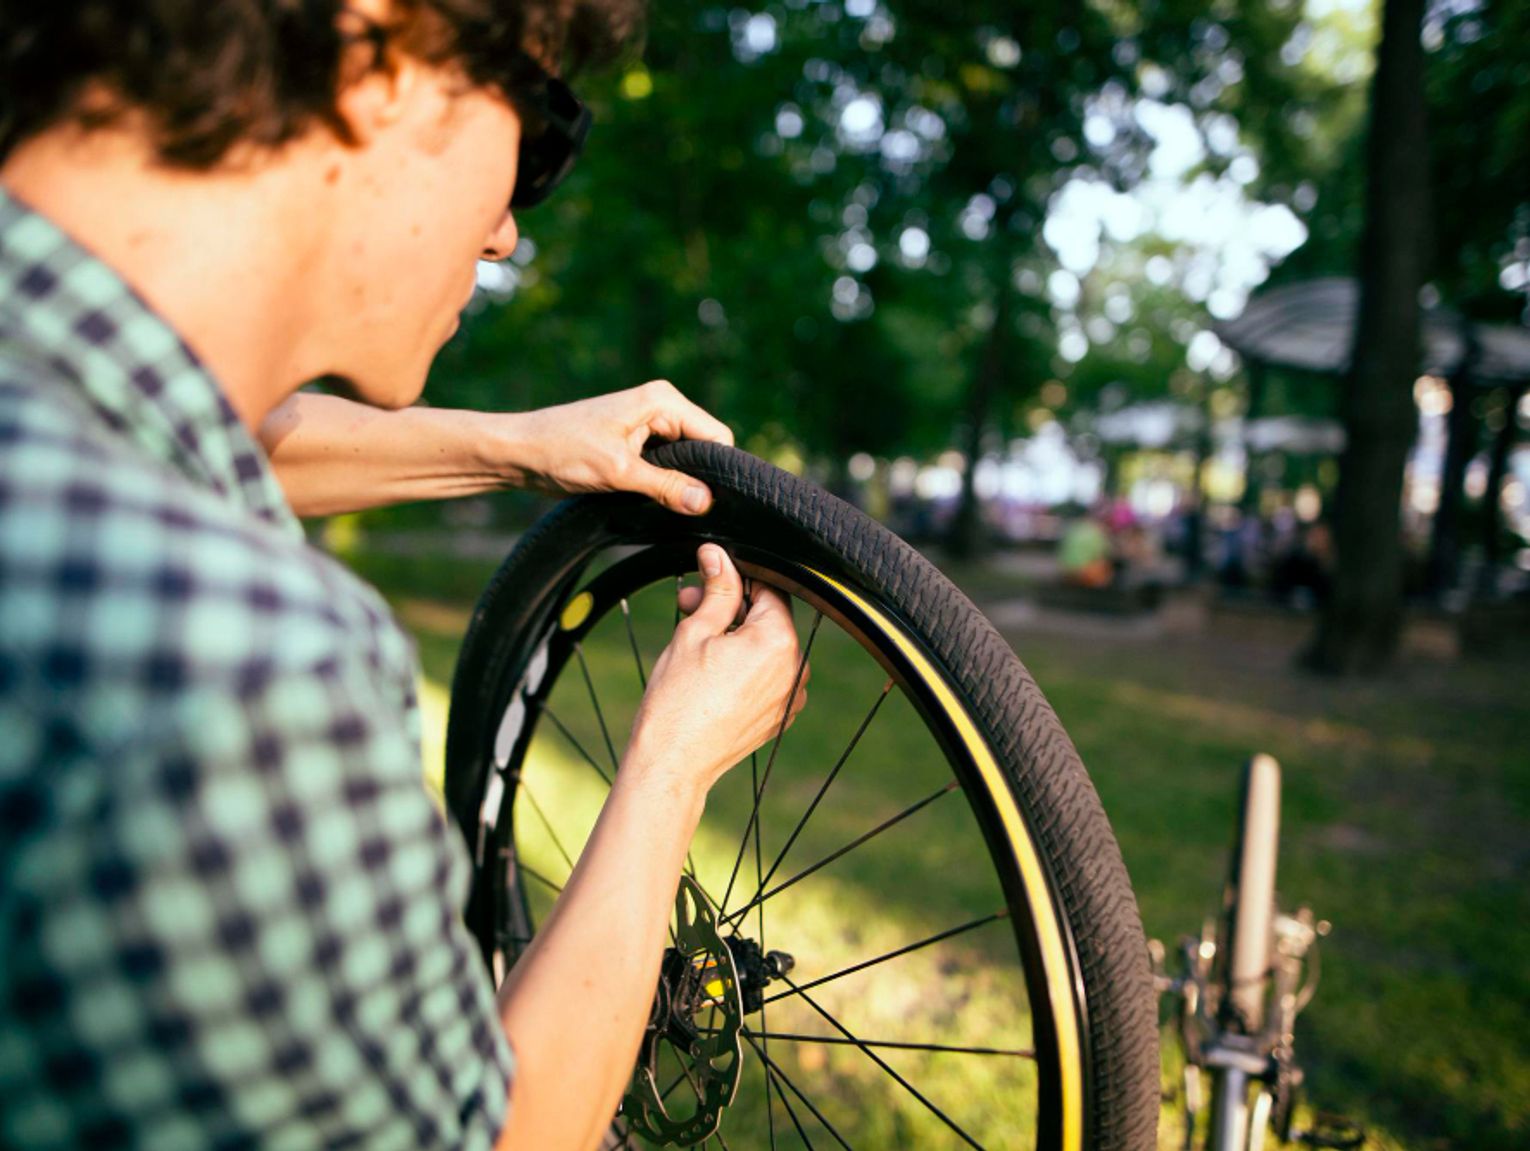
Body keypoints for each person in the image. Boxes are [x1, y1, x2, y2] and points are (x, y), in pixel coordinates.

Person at [0, 3, 807, 1150]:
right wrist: (675, 760)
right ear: (381, 48)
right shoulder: (242, 680)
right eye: (540, 132)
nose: (505, 238)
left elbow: (170, 431)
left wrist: (513, 442)